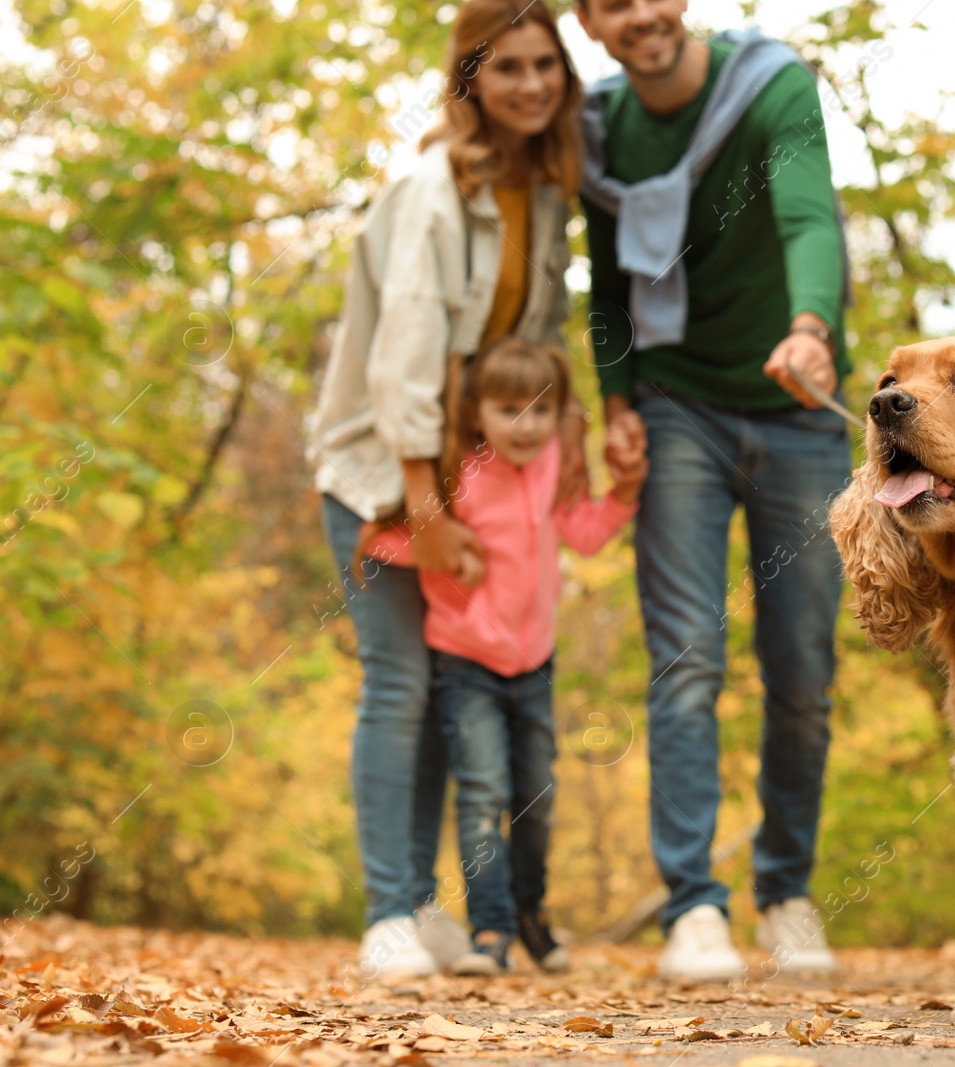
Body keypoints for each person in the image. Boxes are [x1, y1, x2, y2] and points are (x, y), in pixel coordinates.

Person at [309, 0, 591, 979]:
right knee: (398, 682)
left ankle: (425, 907)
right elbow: (405, 362)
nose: (528, 84)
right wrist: (425, 507)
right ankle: (387, 910)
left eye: (543, 64)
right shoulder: (433, 190)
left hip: (465, 478)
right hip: (382, 471)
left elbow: (536, 349)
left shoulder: (543, 194)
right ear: (470, 77)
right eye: (504, 66)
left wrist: (581, 442)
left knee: (441, 692)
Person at [574, 0, 853, 980]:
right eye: (612, 3)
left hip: (798, 398)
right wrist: (614, 400)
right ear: (588, 21)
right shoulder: (597, 128)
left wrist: (813, 324)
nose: (639, 15)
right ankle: (693, 905)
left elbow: (811, 211)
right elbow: (605, 284)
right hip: (678, 401)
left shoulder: (769, 82)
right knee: (685, 655)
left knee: (803, 669)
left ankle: (785, 890)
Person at [360, 337, 647, 975]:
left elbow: (588, 536)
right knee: (483, 794)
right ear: (477, 413)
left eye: (541, 411)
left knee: (536, 796)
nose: (526, 425)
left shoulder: (554, 470)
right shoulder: (454, 473)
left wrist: (624, 492)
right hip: (464, 665)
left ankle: (530, 914)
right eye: (509, 409)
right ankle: (489, 932)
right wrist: (444, 550)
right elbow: (387, 539)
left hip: (534, 664)